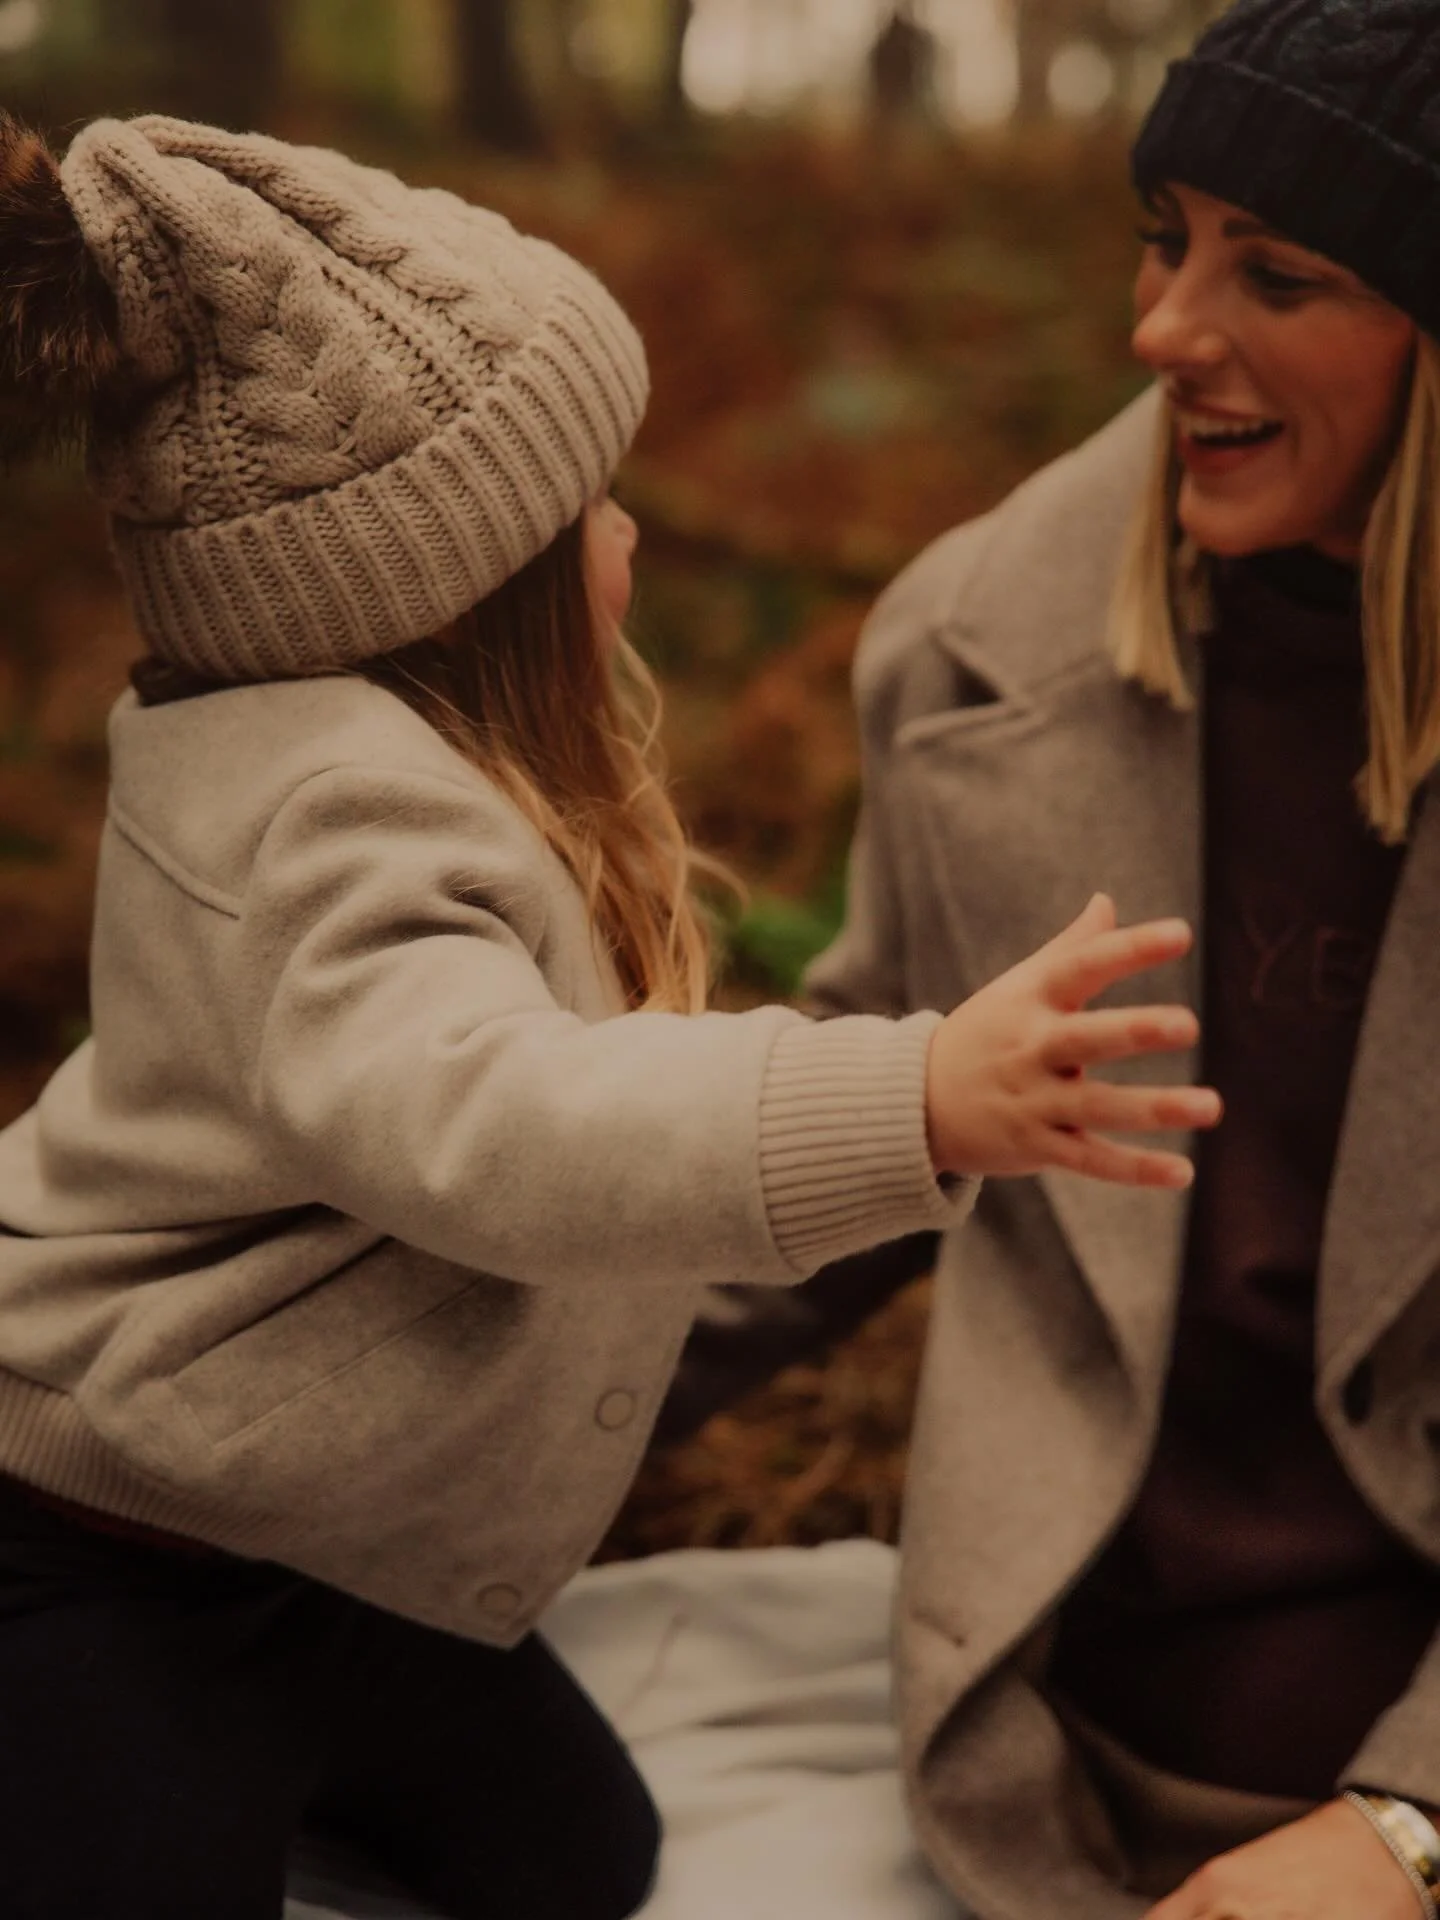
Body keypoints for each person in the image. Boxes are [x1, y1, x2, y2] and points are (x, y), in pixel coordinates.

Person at [0, 113, 1216, 1920]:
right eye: (596, 505)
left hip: (320, 1544)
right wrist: (915, 1097)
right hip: (99, 1547)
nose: (632, 530)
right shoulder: (328, 819)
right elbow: (506, 1126)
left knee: (578, 1859)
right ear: (464, 587)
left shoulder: (375, 758)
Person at [803, 1, 1440, 1915]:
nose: (1164, 328)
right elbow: (835, 1150)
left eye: (1282, 271)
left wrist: (1408, 1827)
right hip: (1045, 1764)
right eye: (1167, 234)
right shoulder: (972, 656)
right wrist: (329, 1444)